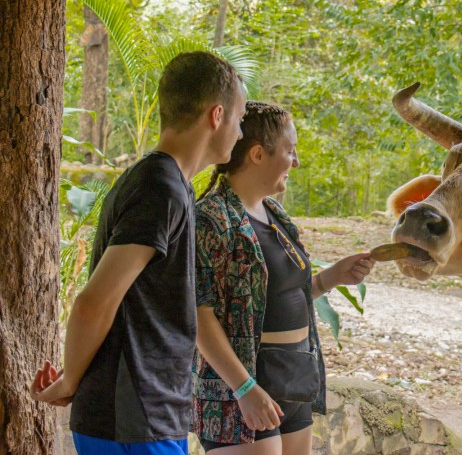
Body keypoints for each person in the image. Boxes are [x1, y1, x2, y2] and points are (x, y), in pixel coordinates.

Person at [28, 51, 247, 455]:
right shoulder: (158, 186)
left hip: (147, 415)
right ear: (217, 116)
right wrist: (71, 380)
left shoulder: (169, 184)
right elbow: (95, 300)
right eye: (239, 117)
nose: (239, 131)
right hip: (131, 420)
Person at [192, 101, 375, 454]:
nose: (296, 162)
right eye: (290, 151)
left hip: (293, 381)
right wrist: (244, 389)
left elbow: (283, 294)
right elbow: (200, 316)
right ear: (258, 154)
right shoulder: (211, 218)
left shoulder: (274, 212)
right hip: (241, 390)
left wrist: (332, 277)